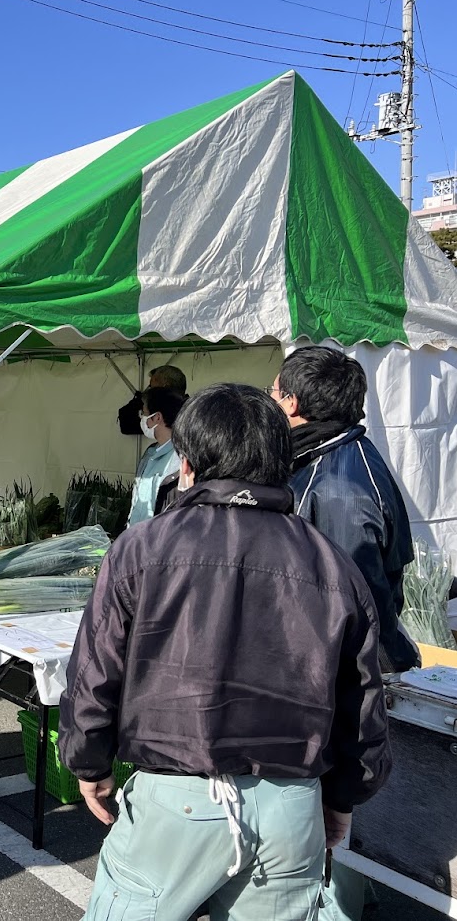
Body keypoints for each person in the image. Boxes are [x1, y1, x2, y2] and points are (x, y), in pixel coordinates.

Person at [60, 383, 390, 921]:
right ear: (283, 464)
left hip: (175, 805)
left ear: (185, 465)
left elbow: (96, 674)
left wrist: (89, 761)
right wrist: (342, 797)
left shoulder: (141, 548)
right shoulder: (332, 564)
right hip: (289, 807)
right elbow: (361, 704)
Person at [271, 347, 419, 921]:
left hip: (326, 678)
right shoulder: (335, 456)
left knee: (325, 828)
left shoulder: (337, 483)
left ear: (293, 401)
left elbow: (349, 601)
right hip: (329, 672)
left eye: (274, 389)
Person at [126, 386, 186, 527]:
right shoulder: (151, 452)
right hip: (137, 539)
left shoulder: (179, 458)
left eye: (144, 413)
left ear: (157, 417)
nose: (141, 418)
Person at [117, 364, 187, 436]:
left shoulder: (191, 415)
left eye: (152, 387)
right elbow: (126, 423)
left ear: (165, 387)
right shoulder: (191, 410)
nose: (150, 392)